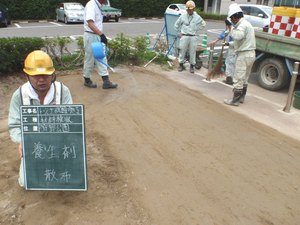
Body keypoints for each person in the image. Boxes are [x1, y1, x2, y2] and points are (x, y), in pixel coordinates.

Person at [8, 50, 73, 187]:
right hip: (34, 145)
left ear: (52, 74)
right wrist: (22, 141)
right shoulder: (19, 96)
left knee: (69, 176)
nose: (41, 79)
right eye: (36, 76)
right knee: (26, 182)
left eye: (45, 75)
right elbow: (14, 125)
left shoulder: (62, 92)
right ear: (27, 76)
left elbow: (71, 121)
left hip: (58, 143)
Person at [224, 3, 256, 106]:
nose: (232, 21)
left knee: (238, 77)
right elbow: (242, 42)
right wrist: (229, 43)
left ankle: (235, 100)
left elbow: (238, 36)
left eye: (231, 19)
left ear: (234, 17)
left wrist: (230, 28)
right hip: (250, 54)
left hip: (244, 56)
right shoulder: (246, 24)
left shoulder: (242, 25)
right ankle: (241, 97)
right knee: (245, 77)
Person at [83, 0, 117, 89]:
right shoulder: (91, 4)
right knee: (90, 59)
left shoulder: (98, 5)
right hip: (91, 36)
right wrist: (101, 34)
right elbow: (90, 23)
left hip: (96, 35)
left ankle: (106, 81)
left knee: (101, 57)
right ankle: (87, 80)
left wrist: (100, 35)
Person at [174, 0, 206, 74]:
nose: (189, 10)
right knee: (182, 51)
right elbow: (176, 25)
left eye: (190, 9)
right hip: (184, 36)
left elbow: (203, 24)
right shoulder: (183, 16)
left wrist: (197, 29)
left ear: (193, 9)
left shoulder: (197, 17)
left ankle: (192, 66)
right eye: (188, 9)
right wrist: (179, 32)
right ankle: (181, 65)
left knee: (193, 52)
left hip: (193, 36)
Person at [209, 19, 236, 85]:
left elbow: (237, 41)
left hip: (235, 48)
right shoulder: (229, 28)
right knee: (229, 62)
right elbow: (224, 34)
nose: (227, 26)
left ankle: (230, 79)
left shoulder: (234, 29)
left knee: (230, 63)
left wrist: (227, 43)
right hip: (231, 47)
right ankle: (229, 78)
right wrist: (215, 41)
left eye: (228, 25)